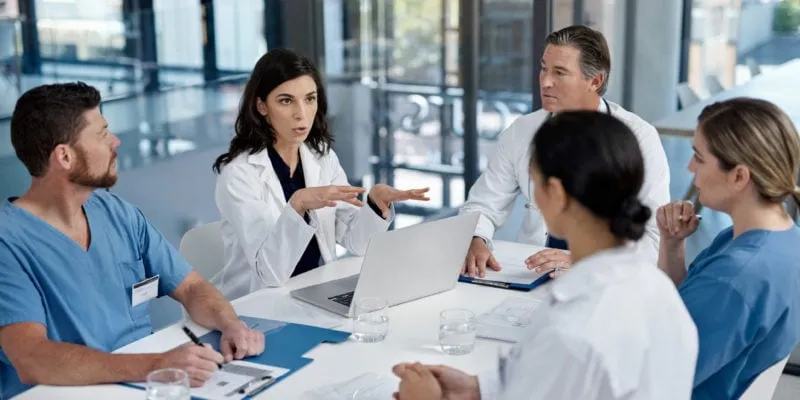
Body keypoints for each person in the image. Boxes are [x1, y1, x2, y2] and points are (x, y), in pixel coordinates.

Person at [393, 111, 698, 400]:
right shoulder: (659, 290)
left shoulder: (573, 331)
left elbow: (562, 368)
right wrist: (478, 388)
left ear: (556, 193)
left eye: (534, 181)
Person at [0, 82, 265, 399]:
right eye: (102, 134)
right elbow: (31, 357)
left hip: (142, 385)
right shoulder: (8, 243)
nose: (115, 141)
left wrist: (231, 324)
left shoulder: (117, 213)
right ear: (65, 156)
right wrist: (157, 364)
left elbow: (192, 287)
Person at [211, 48, 429, 299]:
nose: (301, 113)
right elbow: (269, 273)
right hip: (258, 302)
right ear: (262, 106)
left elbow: (355, 242)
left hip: (316, 291)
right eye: (286, 101)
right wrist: (298, 204)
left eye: (309, 99)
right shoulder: (239, 175)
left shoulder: (321, 157)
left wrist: (375, 205)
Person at [460, 24, 669, 278]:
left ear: (595, 81)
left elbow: (655, 239)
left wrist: (585, 260)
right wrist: (476, 238)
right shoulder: (522, 131)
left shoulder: (638, 138)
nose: (545, 82)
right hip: (530, 273)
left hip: (606, 276)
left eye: (559, 72)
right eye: (544, 68)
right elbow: (484, 203)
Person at [657, 97, 800, 399]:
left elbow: (649, 379)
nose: (689, 167)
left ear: (739, 176)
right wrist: (672, 244)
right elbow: (685, 312)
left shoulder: (733, 278)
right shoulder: (782, 239)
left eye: (699, 158)